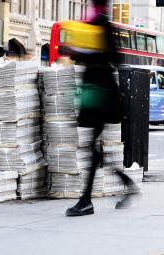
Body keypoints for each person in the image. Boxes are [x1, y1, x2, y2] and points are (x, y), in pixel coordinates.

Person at [62, 0, 138, 217]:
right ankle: (127, 186)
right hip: (94, 88)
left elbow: (115, 57)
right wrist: (77, 53)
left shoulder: (102, 23)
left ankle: (86, 201)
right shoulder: (91, 22)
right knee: (93, 148)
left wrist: (85, 54)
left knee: (91, 147)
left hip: (102, 91)